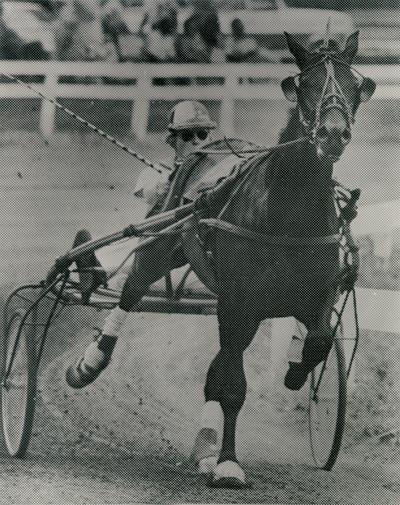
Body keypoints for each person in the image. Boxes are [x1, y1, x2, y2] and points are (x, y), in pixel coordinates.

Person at [66, 100, 217, 388]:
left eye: (202, 135)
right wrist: (165, 184)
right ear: (174, 140)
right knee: (124, 265)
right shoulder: (159, 173)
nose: (197, 142)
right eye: (188, 136)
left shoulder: (218, 174)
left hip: (200, 255)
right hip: (157, 247)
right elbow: (146, 187)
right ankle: (92, 270)